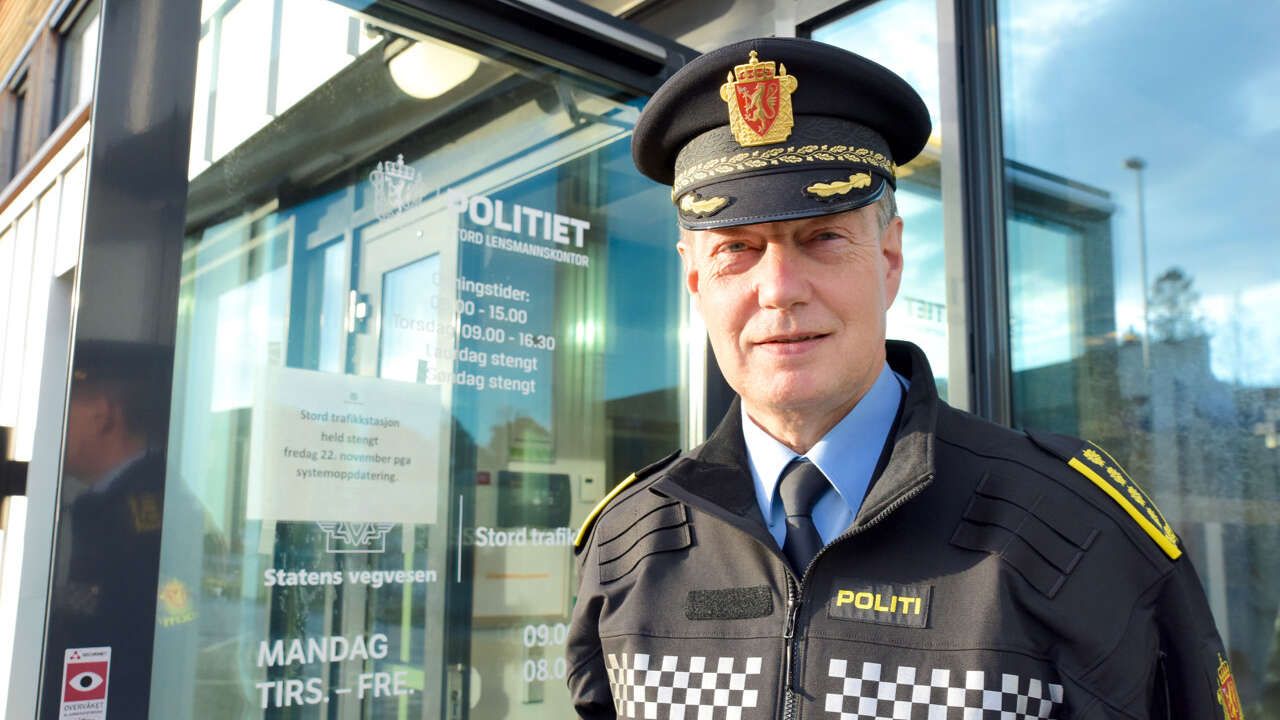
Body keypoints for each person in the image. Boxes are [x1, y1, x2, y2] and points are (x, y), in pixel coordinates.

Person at [567, 37, 1241, 719]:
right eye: (736, 249)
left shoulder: (1067, 528)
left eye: (822, 237)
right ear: (694, 279)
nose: (779, 290)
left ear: (889, 259)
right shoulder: (628, 544)